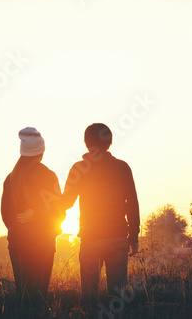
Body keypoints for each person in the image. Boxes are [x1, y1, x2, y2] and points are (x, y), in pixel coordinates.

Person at [61, 123, 140, 307]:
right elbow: (132, 204)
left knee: (88, 297)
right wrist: (134, 236)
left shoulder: (79, 168)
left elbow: (66, 202)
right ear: (110, 142)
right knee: (117, 297)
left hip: (91, 238)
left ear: (86, 143)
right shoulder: (122, 167)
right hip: (118, 237)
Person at [1, 127, 65, 309]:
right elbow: (58, 211)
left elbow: (6, 216)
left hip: (17, 242)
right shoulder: (48, 175)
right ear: (41, 152)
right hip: (43, 242)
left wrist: (17, 229)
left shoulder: (11, 178)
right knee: (38, 294)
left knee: (22, 292)